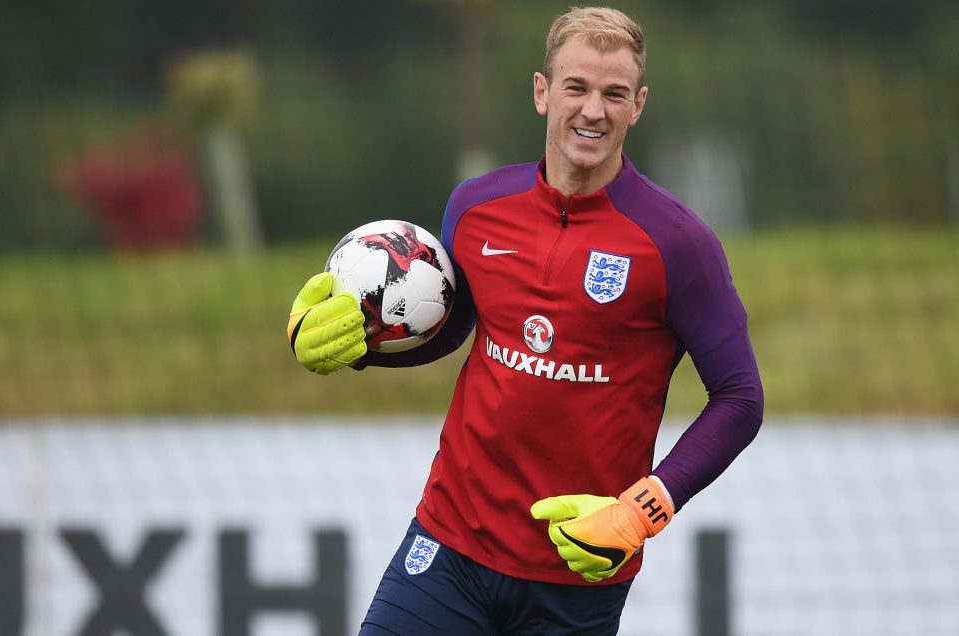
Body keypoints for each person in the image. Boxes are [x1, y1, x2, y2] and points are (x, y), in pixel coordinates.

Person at [287, 6, 763, 634]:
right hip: (451, 541)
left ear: (637, 105)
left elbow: (739, 398)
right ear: (543, 93)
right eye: (577, 88)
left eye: (613, 93)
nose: (593, 110)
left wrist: (644, 509)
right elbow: (454, 327)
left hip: (576, 576)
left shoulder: (679, 244)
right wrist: (361, 343)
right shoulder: (477, 206)